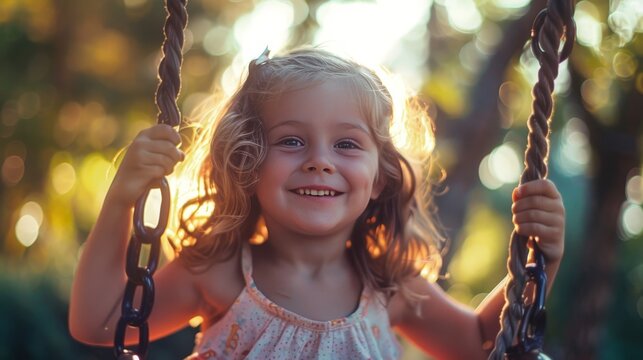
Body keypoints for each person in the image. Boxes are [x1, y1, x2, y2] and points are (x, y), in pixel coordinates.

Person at [69, 48, 565, 359]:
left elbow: (479, 344)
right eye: (291, 142)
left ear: (379, 178)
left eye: (346, 145)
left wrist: (539, 261)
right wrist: (121, 199)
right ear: (248, 162)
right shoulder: (221, 274)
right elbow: (99, 324)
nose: (319, 162)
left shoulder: (388, 286)